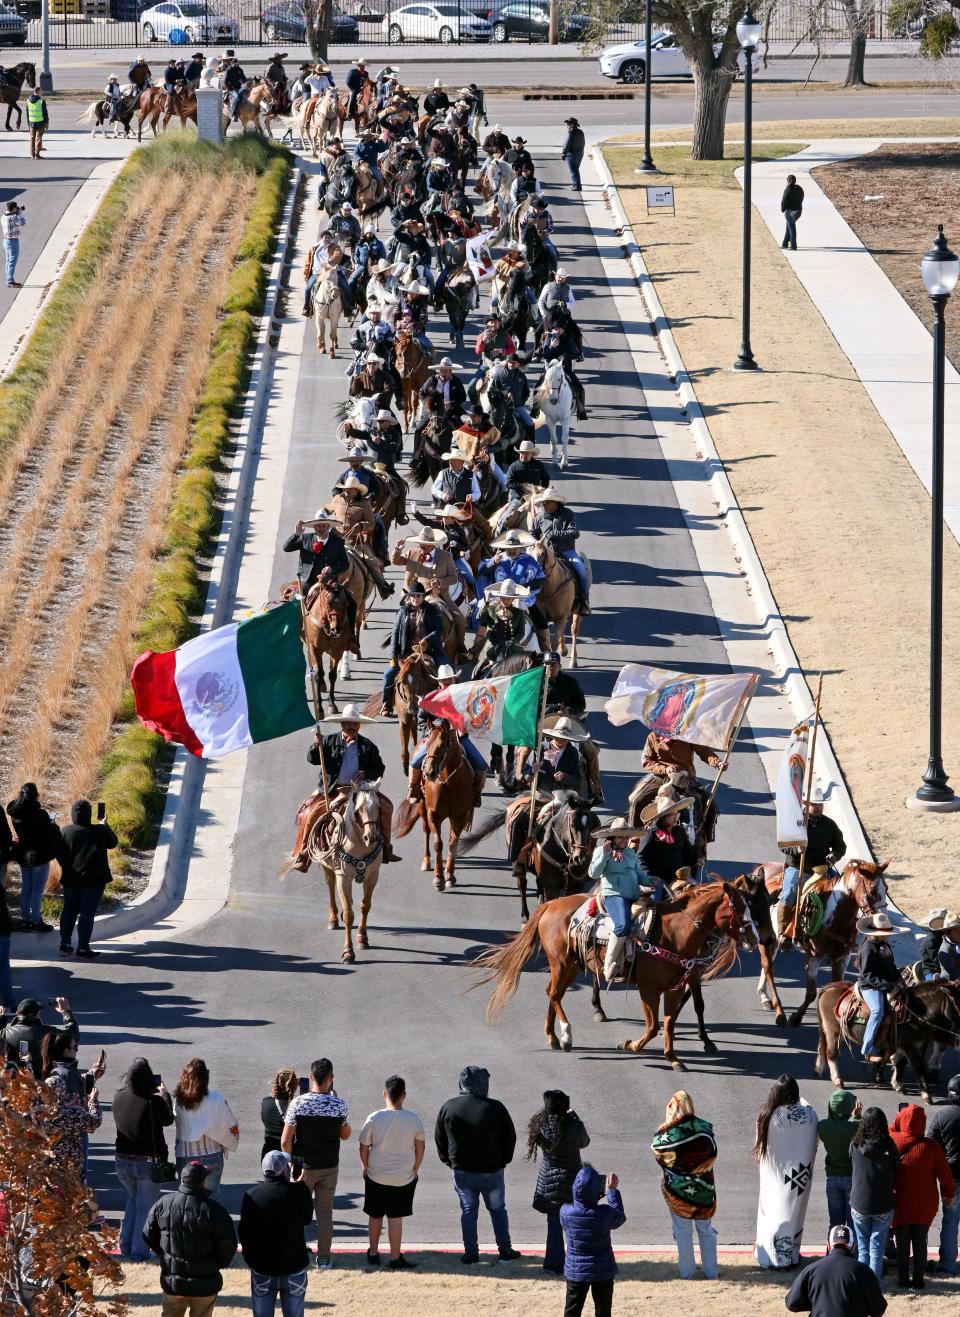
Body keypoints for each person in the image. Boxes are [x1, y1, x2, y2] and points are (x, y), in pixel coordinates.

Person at [434, 1065, 520, 1265]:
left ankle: (471, 1253)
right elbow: (510, 1138)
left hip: (462, 1171)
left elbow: (440, 1139)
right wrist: (503, 1161)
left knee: (468, 1212)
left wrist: (449, 1161)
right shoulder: (496, 1108)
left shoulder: (449, 1107)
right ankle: (505, 1250)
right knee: (498, 1210)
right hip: (492, 1170)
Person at [280, 1057, 351, 1271]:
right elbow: (345, 1134)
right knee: (325, 1213)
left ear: (310, 1077)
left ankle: (297, 1253)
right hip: (329, 1166)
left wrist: (292, 1163)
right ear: (331, 1078)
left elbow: (285, 1140)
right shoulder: (339, 1105)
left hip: (304, 1167)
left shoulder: (298, 1104)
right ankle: (324, 1258)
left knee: (298, 1213)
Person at [143, 1159, 238, 1317]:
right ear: (202, 1182)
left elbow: (148, 1235)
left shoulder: (163, 1205)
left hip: (174, 1284)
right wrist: (217, 1264)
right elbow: (228, 1246)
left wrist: (165, 1254)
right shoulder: (215, 1211)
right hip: (205, 1285)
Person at [359, 1074, 425, 1270]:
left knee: (375, 1215)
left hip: (376, 1174)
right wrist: (415, 1169)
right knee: (396, 1218)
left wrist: (365, 1167)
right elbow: (420, 1148)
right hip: (403, 1177)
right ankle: (395, 1257)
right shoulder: (413, 1119)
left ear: (384, 1094)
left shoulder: (374, 1118)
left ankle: (373, 1253)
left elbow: (363, 1148)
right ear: (404, 1095)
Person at [651, 1090, 718, 1281]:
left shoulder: (664, 1134)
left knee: (682, 1232)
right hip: (703, 1190)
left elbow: (658, 1154)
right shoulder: (704, 1127)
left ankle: (687, 1273)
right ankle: (711, 1272)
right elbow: (712, 1155)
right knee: (706, 1230)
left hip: (677, 1192)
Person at [754, 1074, 818, 1269]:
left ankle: (772, 1257)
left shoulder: (768, 1115)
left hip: (776, 1174)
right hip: (801, 1176)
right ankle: (792, 1255)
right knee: (794, 1213)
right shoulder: (809, 1114)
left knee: (773, 1211)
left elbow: (761, 1146)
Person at [113, 1057, 175, 1262]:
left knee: (133, 1200)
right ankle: (139, 1252)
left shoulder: (118, 1097)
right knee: (145, 1207)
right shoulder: (153, 1102)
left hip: (122, 1161)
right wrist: (165, 1094)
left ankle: (126, 1245)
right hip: (147, 1163)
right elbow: (168, 1119)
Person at [239, 1151, 313, 1317]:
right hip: (294, 1267)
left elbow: (244, 1233)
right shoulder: (299, 1192)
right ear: (284, 1170)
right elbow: (307, 1219)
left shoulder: (252, 1195)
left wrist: (250, 1260)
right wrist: (299, 1185)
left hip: (263, 1268)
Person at [888, 1103, 954, 1290]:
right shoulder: (931, 1147)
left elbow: (890, 1128)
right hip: (925, 1204)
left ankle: (902, 1278)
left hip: (899, 1201)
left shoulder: (893, 1139)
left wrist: (898, 1119)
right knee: (920, 1241)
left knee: (901, 1241)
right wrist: (948, 1194)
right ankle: (918, 1279)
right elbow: (945, 1174)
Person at [527, 1089, 590, 1276]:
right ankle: (576, 1262)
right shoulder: (574, 1126)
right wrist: (575, 1116)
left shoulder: (541, 1126)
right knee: (575, 1224)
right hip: (572, 1180)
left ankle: (552, 1265)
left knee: (553, 1224)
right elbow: (585, 1142)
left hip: (549, 1181)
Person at [778, 785, 846, 946]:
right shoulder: (795, 822)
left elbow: (840, 845)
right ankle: (782, 934)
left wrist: (835, 855)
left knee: (843, 895)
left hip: (822, 868)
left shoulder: (830, 825)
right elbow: (783, 845)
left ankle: (840, 935)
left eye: (820, 804)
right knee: (789, 894)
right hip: (797, 866)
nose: (818, 807)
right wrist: (796, 849)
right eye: (815, 804)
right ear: (806, 804)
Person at [587, 818, 648, 984]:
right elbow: (593, 873)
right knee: (622, 925)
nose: (624, 840)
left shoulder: (630, 853)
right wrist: (605, 856)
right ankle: (609, 967)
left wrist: (650, 881)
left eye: (626, 837)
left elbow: (639, 874)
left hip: (634, 895)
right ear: (612, 838)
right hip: (613, 895)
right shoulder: (601, 850)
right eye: (620, 837)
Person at [560, 1165, 625, 1317]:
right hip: (602, 1270)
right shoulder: (605, 1213)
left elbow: (581, 1206)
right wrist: (612, 1191)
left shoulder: (565, 1211)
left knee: (572, 1311)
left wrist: (591, 1197)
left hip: (576, 1271)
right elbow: (619, 1217)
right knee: (603, 1311)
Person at [57, 799, 118, 959]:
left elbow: (58, 853)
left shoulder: (65, 831)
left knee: (69, 911)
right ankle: (83, 949)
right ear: (89, 814)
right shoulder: (100, 830)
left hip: (71, 879)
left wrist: (66, 867)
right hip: (94, 881)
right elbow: (113, 843)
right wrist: (105, 824)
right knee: (86, 914)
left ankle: (65, 945)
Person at [785, 1223, 888, 1317]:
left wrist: (816, 1301)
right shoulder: (864, 1271)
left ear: (829, 1245)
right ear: (853, 1246)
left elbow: (791, 1303)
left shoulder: (811, 1270)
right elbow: (878, 1309)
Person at [173, 1058, 240, 1200]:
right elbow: (230, 1124)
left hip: (185, 1155)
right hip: (211, 1154)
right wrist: (225, 1141)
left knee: (187, 1199)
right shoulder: (216, 1098)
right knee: (211, 1200)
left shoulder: (179, 1100)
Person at [849, 1106, 899, 1283]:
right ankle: (874, 1287)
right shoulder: (890, 1147)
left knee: (863, 1249)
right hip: (884, 1205)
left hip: (859, 1203)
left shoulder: (855, 1145)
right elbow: (896, 1169)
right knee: (876, 1249)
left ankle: (862, 1286)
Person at [382, 581, 446, 713]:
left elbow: (439, 630)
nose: (415, 599)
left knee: (448, 672)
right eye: (413, 596)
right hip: (406, 654)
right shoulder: (402, 612)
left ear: (423, 597)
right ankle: (387, 703)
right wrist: (393, 657)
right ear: (409, 597)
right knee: (388, 675)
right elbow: (395, 634)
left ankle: (447, 706)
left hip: (430, 652)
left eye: (418, 596)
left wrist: (426, 640)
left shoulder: (432, 610)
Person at [7, 781, 60, 931]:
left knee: (26, 889)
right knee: (37, 891)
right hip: (39, 857)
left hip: (24, 856)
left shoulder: (15, 815)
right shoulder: (41, 815)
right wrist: (53, 824)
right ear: (36, 796)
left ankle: (25, 920)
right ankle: (36, 922)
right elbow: (50, 832)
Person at [531, 487, 590, 611]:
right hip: (546, 553)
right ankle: (527, 602)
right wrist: (535, 543)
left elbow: (574, 533)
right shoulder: (539, 517)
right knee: (528, 571)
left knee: (582, 572)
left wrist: (554, 534)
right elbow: (532, 532)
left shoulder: (568, 514)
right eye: (543, 502)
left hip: (566, 551)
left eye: (547, 502)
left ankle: (583, 601)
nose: (544, 505)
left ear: (555, 502)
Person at [856, 912, 899, 1063]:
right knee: (877, 1011)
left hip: (885, 983)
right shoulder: (868, 947)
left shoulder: (884, 945)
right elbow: (867, 974)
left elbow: (890, 966)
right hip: (869, 986)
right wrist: (887, 986)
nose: (887, 935)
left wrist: (899, 978)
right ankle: (867, 1049)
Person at [929, 1073, 960, 1274]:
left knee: (950, 1222)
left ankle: (948, 1265)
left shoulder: (941, 1116)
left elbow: (931, 1146)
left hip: (951, 1178)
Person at [1, 995, 77, 1076]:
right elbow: (74, 1036)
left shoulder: (4, 1033)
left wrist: (1, 1020)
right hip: (44, 1083)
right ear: (37, 1014)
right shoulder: (49, 1032)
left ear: (17, 1013)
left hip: (14, 1084)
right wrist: (66, 1012)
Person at [818, 1090, 861, 1231]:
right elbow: (861, 1128)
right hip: (851, 1178)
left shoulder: (823, 1126)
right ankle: (853, 1252)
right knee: (853, 1222)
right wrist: (858, 1116)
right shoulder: (855, 1127)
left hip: (832, 1178)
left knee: (835, 1222)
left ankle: (833, 1250)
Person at [637, 789, 698, 884]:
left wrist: (697, 858)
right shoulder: (650, 833)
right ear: (663, 818)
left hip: (679, 876)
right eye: (672, 815)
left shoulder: (679, 831)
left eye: (677, 814)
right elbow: (641, 858)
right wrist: (648, 878)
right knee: (654, 898)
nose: (676, 818)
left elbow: (688, 852)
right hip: (657, 878)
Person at [261, 1068, 299, 1159]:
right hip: (291, 1157)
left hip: (268, 1157)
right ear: (295, 1086)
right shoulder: (296, 1108)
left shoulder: (266, 1103)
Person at [781, 173, 805, 251]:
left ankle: (793, 246)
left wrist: (783, 209)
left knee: (791, 228)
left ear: (788, 181)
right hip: (799, 211)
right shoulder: (799, 188)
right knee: (788, 226)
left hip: (791, 212)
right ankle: (784, 244)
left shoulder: (788, 189)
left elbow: (784, 201)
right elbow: (802, 198)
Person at [561, 117, 585, 190]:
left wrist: (564, 153)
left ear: (573, 125)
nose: (567, 125)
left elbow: (567, 144)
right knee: (576, 169)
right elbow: (583, 143)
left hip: (571, 154)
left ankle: (577, 186)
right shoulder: (580, 132)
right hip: (580, 153)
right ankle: (576, 184)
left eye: (568, 124)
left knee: (573, 171)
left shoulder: (570, 133)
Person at [26, 89, 48, 158]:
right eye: (41, 92)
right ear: (38, 92)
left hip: (32, 122)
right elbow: (45, 113)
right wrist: (46, 123)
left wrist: (28, 123)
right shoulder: (41, 101)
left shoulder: (28, 100)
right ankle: (37, 155)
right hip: (40, 122)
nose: (42, 93)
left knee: (32, 138)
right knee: (38, 138)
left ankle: (32, 155)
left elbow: (27, 113)